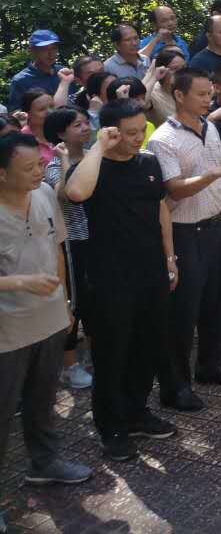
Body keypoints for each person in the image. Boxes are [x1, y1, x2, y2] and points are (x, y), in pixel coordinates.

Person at [60, 101, 179, 462]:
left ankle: (136, 412)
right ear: (109, 131)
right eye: (128, 133)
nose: (137, 138)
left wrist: (170, 257)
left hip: (151, 272)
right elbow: (75, 193)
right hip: (109, 279)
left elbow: (160, 209)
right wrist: (99, 147)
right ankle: (111, 427)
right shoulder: (92, 167)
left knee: (148, 346)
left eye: (140, 130)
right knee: (113, 354)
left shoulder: (148, 163)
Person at [0, 133, 93, 519]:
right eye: (28, 168)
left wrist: (64, 302)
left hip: (49, 320)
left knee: (42, 400)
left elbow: (57, 249)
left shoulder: (43, 196)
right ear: (2, 174)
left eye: (40, 164)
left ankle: (45, 462)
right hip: (7, 332)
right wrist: (21, 282)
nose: (39, 172)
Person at [147, 68, 221, 411]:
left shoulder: (211, 128)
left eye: (210, 94)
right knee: (183, 312)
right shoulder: (163, 140)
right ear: (179, 95)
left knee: (216, 302)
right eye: (202, 95)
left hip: (217, 226)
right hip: (185, 232)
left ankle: (211, 364)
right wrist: (215, 172)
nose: (208, 100)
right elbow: (173, 188)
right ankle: (175, 386)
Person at [41, 107, 96, 391]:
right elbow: (65, 194)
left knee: (95, 300)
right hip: (72, 242)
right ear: (61, 133)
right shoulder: (53, 165)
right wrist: (64, 160)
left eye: (86, 122)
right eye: (77, 125)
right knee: (73, 302)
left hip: (98, 239)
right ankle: (69, 365)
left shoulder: (95, 157)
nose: (86, 128)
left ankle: (94, 356)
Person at [8, 29, 63, 110]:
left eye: (54, 48)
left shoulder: (63, 74)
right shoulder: (21, 80)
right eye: (44, 49)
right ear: (32, 51)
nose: (50, 53)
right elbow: (15, 111)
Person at [146, 48, 187, 125]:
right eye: (175, 69)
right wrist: (153, 77)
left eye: (184, 68)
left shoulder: (189, 88)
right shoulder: (153, 93)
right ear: (161, 71)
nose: (182, 73)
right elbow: (141, 103)